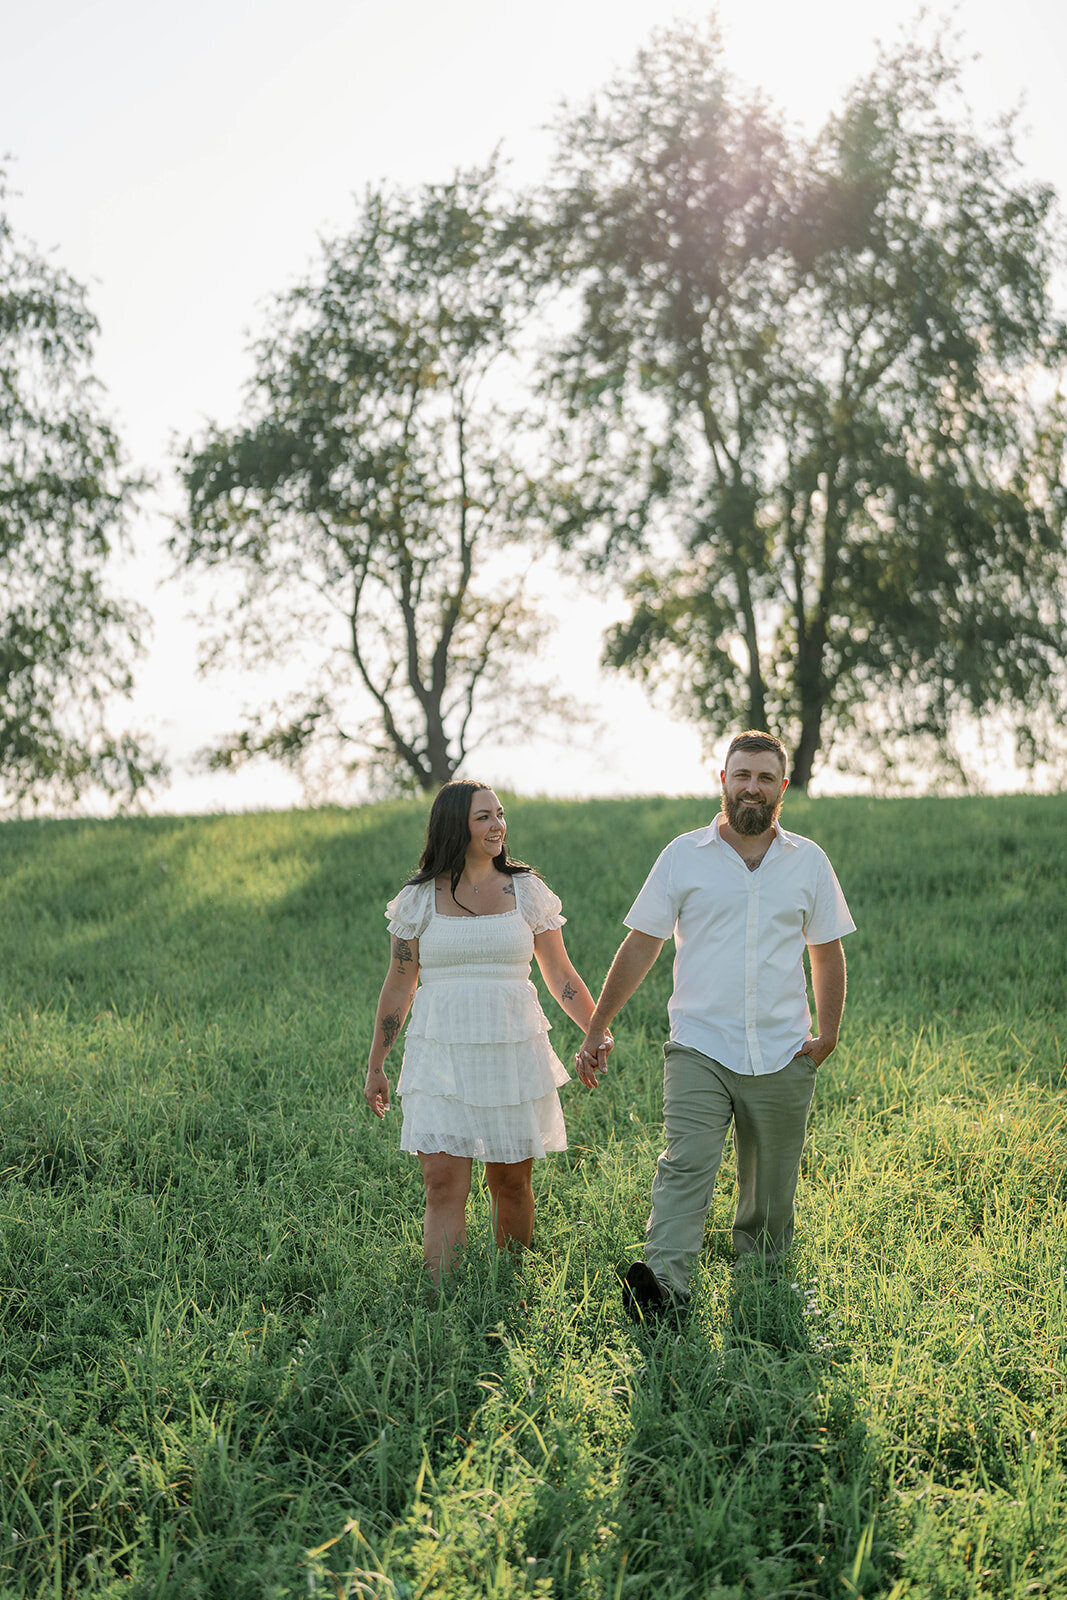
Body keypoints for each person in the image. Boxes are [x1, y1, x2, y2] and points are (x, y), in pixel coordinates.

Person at [576, 730, 856, 1320]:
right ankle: (664, 1289)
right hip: (699, 1044)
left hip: (783, 1049)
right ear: (722, 780)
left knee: (772, 1185)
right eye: (740, 775)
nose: (750, 787)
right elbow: (642, 944)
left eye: (763, 778)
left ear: (782, 787)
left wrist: (827, 1033)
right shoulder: (683, 855)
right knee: (685, 1163)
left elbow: (826, 954)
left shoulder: (808, 861)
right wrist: (597, 1025)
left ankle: (761, 1285)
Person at [365, 779, 610, 1286]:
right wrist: (376, 1065)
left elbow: (560, 973)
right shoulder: (417, 900)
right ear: (456, 825)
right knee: (441, 1182)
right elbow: (398, 985)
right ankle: (442, 1303)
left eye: (500, 814)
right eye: (484, 817)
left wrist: (595, 1030)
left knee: (512, 1181)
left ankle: (510, 1289)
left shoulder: (526, 891)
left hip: (511, 1047)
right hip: (440, 1052)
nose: (498, 824)